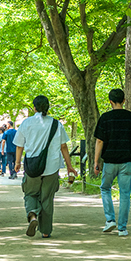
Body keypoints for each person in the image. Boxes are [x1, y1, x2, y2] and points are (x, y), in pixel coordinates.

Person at [15, 96, 76, 238]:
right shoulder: (56, 124)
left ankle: (33, 216)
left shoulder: (26, 123)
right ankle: (46, 231)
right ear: (47, 108)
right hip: (51, 167)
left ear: (34, 108)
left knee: (30, 193)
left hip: (32, 167)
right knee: (47, 198)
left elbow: (19, 146)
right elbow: (63, 146)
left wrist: (17, 163)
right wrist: (69, 166)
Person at [93, 88, 131, 237]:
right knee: (125, 194)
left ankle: (110, 220)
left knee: (105, 188)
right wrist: (130, 147)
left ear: (110, 101)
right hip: (126, 162)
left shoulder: (105, 118)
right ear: (124, 100)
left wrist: (96, 161)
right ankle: (122, 228)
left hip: (109, 162)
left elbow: (99, 140)